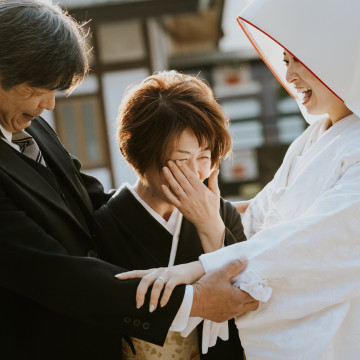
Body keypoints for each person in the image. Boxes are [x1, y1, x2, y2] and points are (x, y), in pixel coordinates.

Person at [0, 1, 259, 359]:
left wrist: (210, 219)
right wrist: (194, 299)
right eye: (40, 87)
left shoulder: (32, 125)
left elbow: (82, 196)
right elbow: (50, 271)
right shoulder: (109, 229)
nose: (49, 104)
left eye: (204, 158)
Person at [117, 0, 360, 358]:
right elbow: (262, 214)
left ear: (337, 53)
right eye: (286, 61)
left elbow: (311, 242)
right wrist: (211, 214)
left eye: (300, 59)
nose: (290, 76)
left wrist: (197, 262)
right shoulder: (312, 138)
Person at [97, 70, 246, 359]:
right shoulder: (104, 223)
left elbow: (246, 299)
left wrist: (210, 227)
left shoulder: (222, 214)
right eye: (180, 160)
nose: (194, 174)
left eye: (204, 157)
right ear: (141, 156)